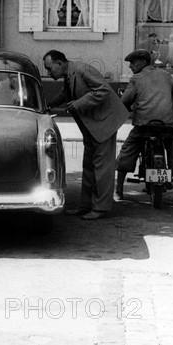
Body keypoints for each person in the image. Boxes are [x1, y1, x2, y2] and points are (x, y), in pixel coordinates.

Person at [43, 50, 129, 220]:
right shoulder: (70, 74)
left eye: (49, 68)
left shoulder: (83, 70)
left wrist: (80, 104)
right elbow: (66, 93)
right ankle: (85, 205)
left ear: (60, 64)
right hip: (93, 125)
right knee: (89, 165)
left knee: (102, 168)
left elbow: (103, 90)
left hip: (105, 123)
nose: (48, 73)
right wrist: (49, 105)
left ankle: (101, 208)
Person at [115, 49, 173, 203]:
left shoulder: (136, 79)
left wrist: (128, 108)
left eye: (132, 63)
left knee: (127, 151)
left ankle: (119, 191)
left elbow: (124, 101)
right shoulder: (165, 75)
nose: (130, 66)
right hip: (167, 126)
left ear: (142, 62)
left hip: (144, 126)